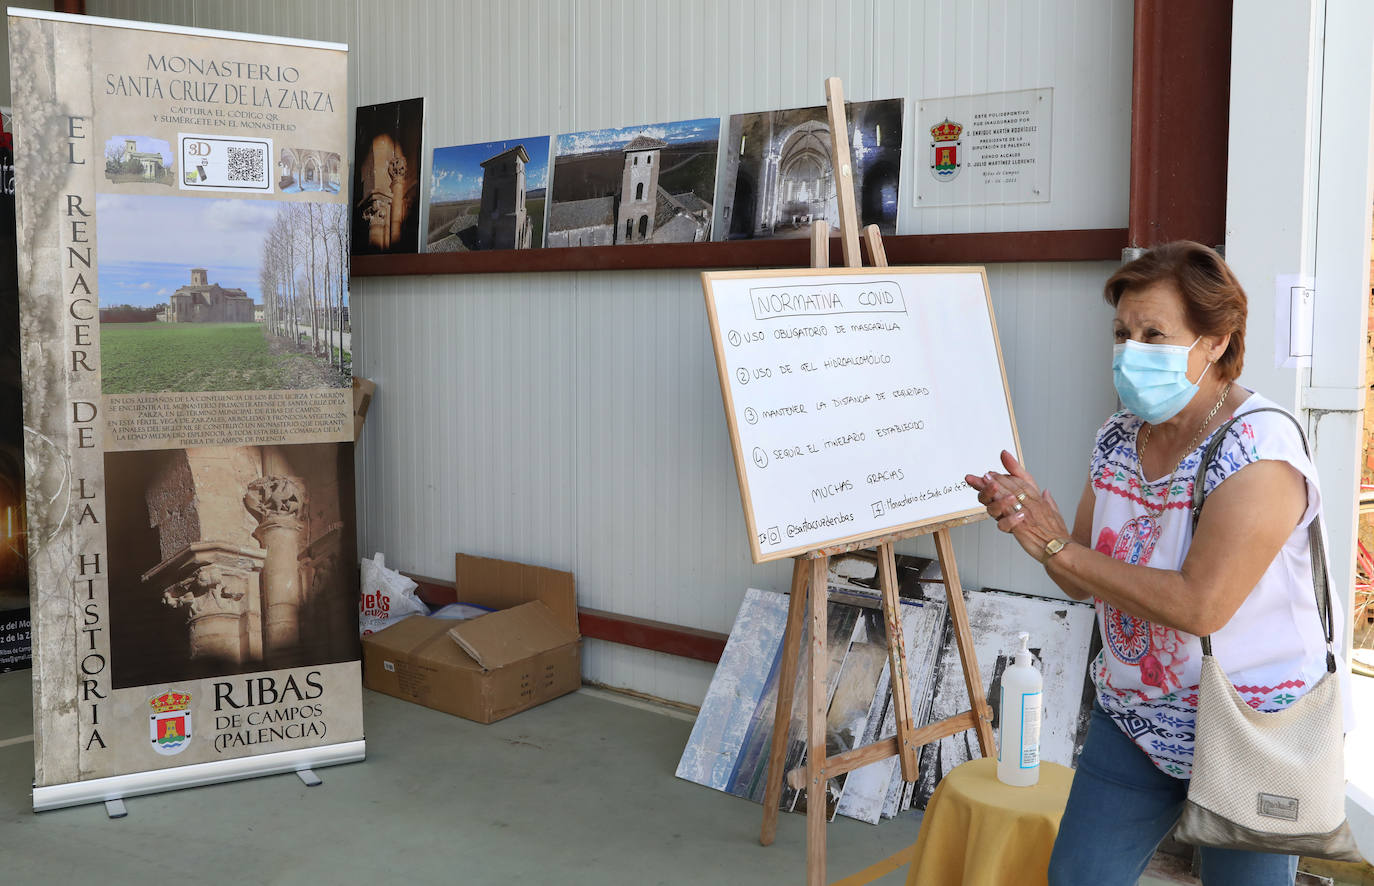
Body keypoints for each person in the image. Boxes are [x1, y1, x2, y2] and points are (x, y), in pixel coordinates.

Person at [964, 241, 1341, 885]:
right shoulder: (1120, 434)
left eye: (1155, 334)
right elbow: (1077, 576)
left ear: (1217, 341)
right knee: (1079, 878)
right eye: (1122, 332)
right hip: (1135, 717)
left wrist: (1068, 551)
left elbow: (1201, 606)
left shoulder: (1259, 448)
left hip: (1249, 726)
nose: (1131, 350)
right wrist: (1041, 536)